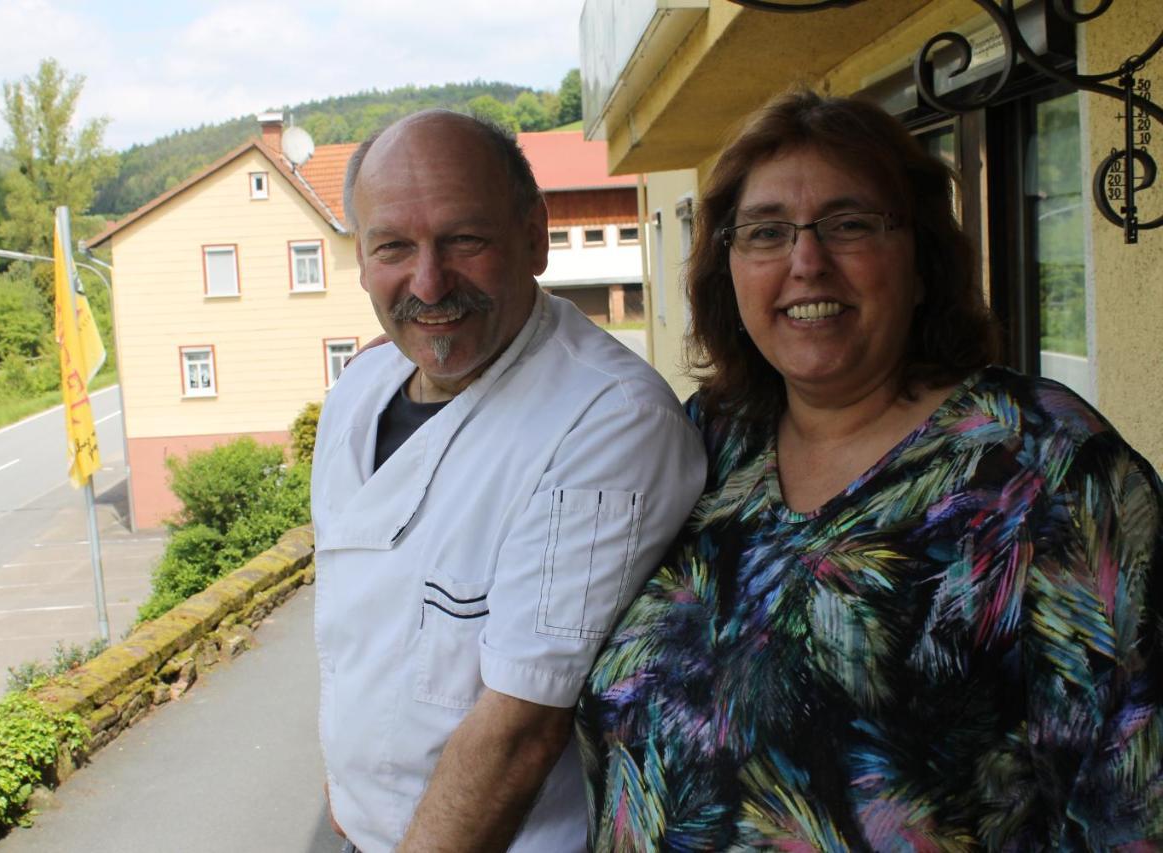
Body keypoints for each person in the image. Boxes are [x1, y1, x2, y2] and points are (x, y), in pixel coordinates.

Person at [577, 90, 1163, 850]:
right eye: (766, 232)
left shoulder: (1051, 469)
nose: (806, 261)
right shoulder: (699, 444)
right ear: (728, 268)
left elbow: (1132, 800)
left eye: (850, 224)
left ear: (921, 260)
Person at [311, 109, 705, 852]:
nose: (428, 282)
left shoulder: (607, 420)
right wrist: (348, 786)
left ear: (534, 237)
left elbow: (519, 731)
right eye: (394, 245)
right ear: (361, 259)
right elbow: (353, 628)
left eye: (465, 239)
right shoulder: (358, 390)